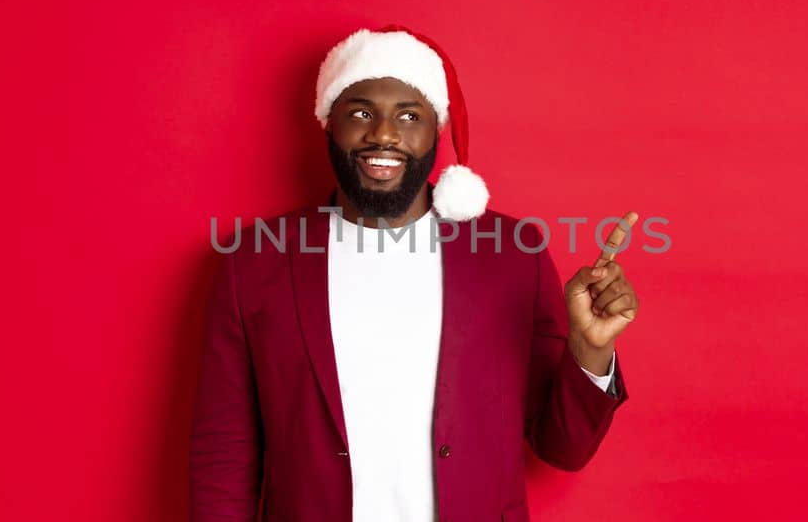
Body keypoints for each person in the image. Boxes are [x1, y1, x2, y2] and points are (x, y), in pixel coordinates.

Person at [190, 26, 642, 522]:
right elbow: (224, 457)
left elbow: (564, 450)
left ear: (435, 131)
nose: (383, 134)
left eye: (409, 115)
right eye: (360, 112)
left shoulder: (512, 255)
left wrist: (591, 350)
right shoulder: (255, 263)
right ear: (327, 123)